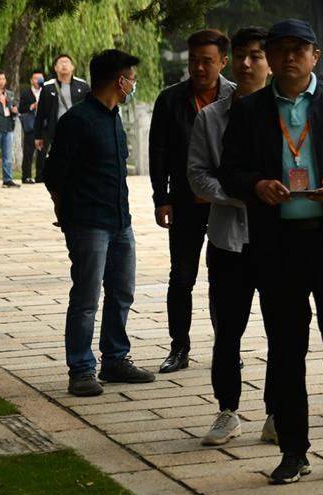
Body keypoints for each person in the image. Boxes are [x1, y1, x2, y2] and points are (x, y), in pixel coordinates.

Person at [219, 19, 323, 484]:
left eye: (300, 49)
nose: (290, 56)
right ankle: (293, 450)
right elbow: (230, 170)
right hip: (278, 244)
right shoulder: (250, 110)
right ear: (270, 58)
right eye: (281, 49)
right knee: (285, 349)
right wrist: (257, 184)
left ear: (316, 56)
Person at [45, 49, 156, 397]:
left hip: (121, 221)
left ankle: (115, 359)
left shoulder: (114, 117)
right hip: (88, 224)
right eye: (132, 79)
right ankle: (80, 369)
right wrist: (66, 216)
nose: (133, 85)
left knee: (122, 291)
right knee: (86, 297)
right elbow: (54, 175)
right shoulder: (76, 121)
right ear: (120, 81)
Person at [187, 27, 277, 447]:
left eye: (256, 55)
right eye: (240, 55)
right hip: (228, 238)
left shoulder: (287, 113)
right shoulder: (210, 117)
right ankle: (227, 409)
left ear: (270, 61)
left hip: (277, 237)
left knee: (283, 329)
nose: (246, 63)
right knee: (227, 331)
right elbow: (197, 175)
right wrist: (243, 195)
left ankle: (278, 411)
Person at [150, 29, 235, 374]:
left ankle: (226, 347)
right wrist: (161, 198)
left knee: (224, 278)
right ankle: (179, 347)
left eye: (207, 61)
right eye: (194, 61)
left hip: (224, 202)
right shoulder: (170, 99)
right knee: (182, 276)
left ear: (223, 62)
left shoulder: (236, 97)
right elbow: (158, 152)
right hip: (185, 201)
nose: (199, 68)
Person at [34, 54, 90, 158]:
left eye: (66, 62)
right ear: (55, 68)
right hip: (55, 132)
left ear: (72, 67)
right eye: (61, 62)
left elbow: (90, 110)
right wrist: (38, 136)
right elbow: (40, 113)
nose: (64, 65)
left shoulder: (83, 86)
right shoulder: (48, 87)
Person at [18, 69, 45, 183]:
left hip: (44, 125)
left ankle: (40, 175)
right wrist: (32, 106)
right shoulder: (26, 93)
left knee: (42, 152)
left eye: (40, 78)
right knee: (28, 151)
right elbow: (21, 109)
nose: (38, 80)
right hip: (31, 125)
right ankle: (26, 176)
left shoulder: (47, 91)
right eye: (35, 78)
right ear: (31, 80)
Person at [0, 70, 18, 187]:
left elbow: (14, 107)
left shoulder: (9, 94)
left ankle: (8, 179)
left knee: (8, 156)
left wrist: (14, 110)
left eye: (3, 79)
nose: (2, 81)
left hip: (8, 127)